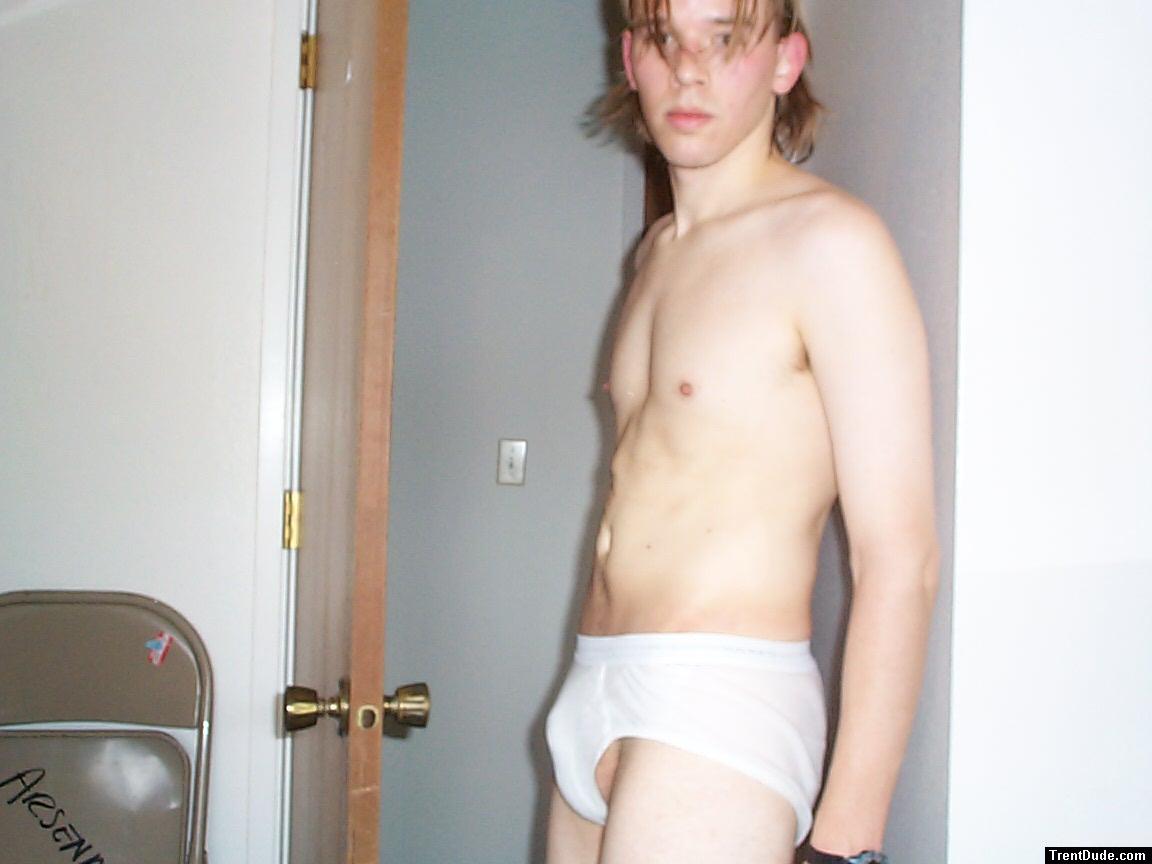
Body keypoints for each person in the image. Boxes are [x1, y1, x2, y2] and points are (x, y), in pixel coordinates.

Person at [543, 0, 940, 862]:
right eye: (665, 39)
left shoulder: (832, 243)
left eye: (724, 39)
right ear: (630, 58)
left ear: (786, 61)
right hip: (593, 681)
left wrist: (845, 844)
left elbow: (899, 558)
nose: (689, 69)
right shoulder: (653, 253)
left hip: (721, 705)